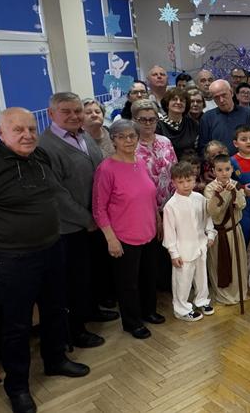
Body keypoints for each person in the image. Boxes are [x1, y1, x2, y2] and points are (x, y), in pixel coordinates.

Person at [0, 108, 90, 413]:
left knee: (55, 311)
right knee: (17, 326)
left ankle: (55, 360)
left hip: (51, 249)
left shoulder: (40, 156)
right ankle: (18, 387)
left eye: (32, 129)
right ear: (0, 133)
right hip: (13, 261)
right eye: (18, 129)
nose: (27, 135)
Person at [39, 92, 114, 350]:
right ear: (51, 114)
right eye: (66, 111)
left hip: (95, 221)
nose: (74, 116)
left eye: (77, 110)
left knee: (91, 274)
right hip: (71, 227)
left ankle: (92, 310)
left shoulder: (84, 136)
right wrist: (87, 219)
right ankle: (76, 331)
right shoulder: (45, 147)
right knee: (74, 281)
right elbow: (56, 194)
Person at [93, 119, 163, 339]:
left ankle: (148, 311)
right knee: (128, 284)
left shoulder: (140, 162)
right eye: (122, 136)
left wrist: (158, 221)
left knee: (149, 277)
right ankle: (132, 323)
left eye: (132, 135)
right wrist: (110, 239)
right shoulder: (106, 169)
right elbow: (99, 208)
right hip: (123, 236)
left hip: (148, 231)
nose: (128, 140)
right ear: (113, 140)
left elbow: (149, 195)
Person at [163, 162, 217, 322]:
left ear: (195, 179)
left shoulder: (200, 198)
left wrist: (210, 234)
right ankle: (181, 309)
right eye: (181, 182)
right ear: (173, 182)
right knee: (183, 281)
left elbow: (207, 218)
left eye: (189, 180)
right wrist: (173, 253)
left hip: (200, 245)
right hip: (183, 250)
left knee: (201, 277)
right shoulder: (171, 206)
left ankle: (202, 300)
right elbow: (169, 232)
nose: (186, 185)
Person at [204, 154, 249, 305]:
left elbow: (241, 205)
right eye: (220, 170)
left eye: (227, 169)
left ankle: (238, 292)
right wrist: (218, 195)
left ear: (232, 169)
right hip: (219, 233)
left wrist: (235, 193)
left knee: (237, 264)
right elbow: (212, 212)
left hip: (234, 231)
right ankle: (223, 294)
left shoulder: (236, 185)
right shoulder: (209, 188)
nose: (224, 173)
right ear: (214, 171)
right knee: (218, 264)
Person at [132, 99, 177, 210]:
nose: (148, 123)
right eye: (143, 120)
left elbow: (176, 172)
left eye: (152, 119)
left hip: (171, 204)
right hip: (144, 207)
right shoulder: (130, 147)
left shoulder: (165, 142)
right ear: (134, 120)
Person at [199, 79, 250, 155]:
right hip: (218, 161)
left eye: (224, 95)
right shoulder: (207, 117)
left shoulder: (248, 113)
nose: (221, 100)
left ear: (231, 92)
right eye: (216, 97)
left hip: (244, 160)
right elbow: (203, 148)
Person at [158, 87, 199, 159]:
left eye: (182, 100)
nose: (178, 102)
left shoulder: (192, 124)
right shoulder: (158, 125)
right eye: (174, 99)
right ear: (167, 104)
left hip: (189, 163)